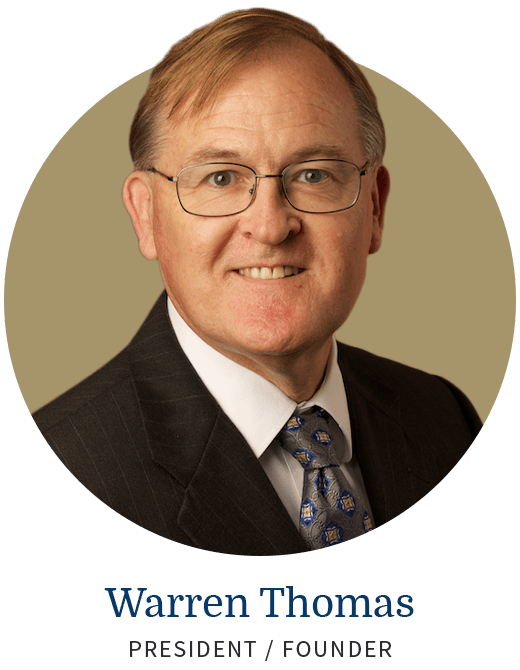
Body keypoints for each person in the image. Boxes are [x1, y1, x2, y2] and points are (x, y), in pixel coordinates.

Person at [32, 8, 482, 555]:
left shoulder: (444, 417)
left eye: (313, 174)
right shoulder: (72, 459)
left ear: (375, 208)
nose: (270, 226)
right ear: (146, 215)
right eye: (220, 177)